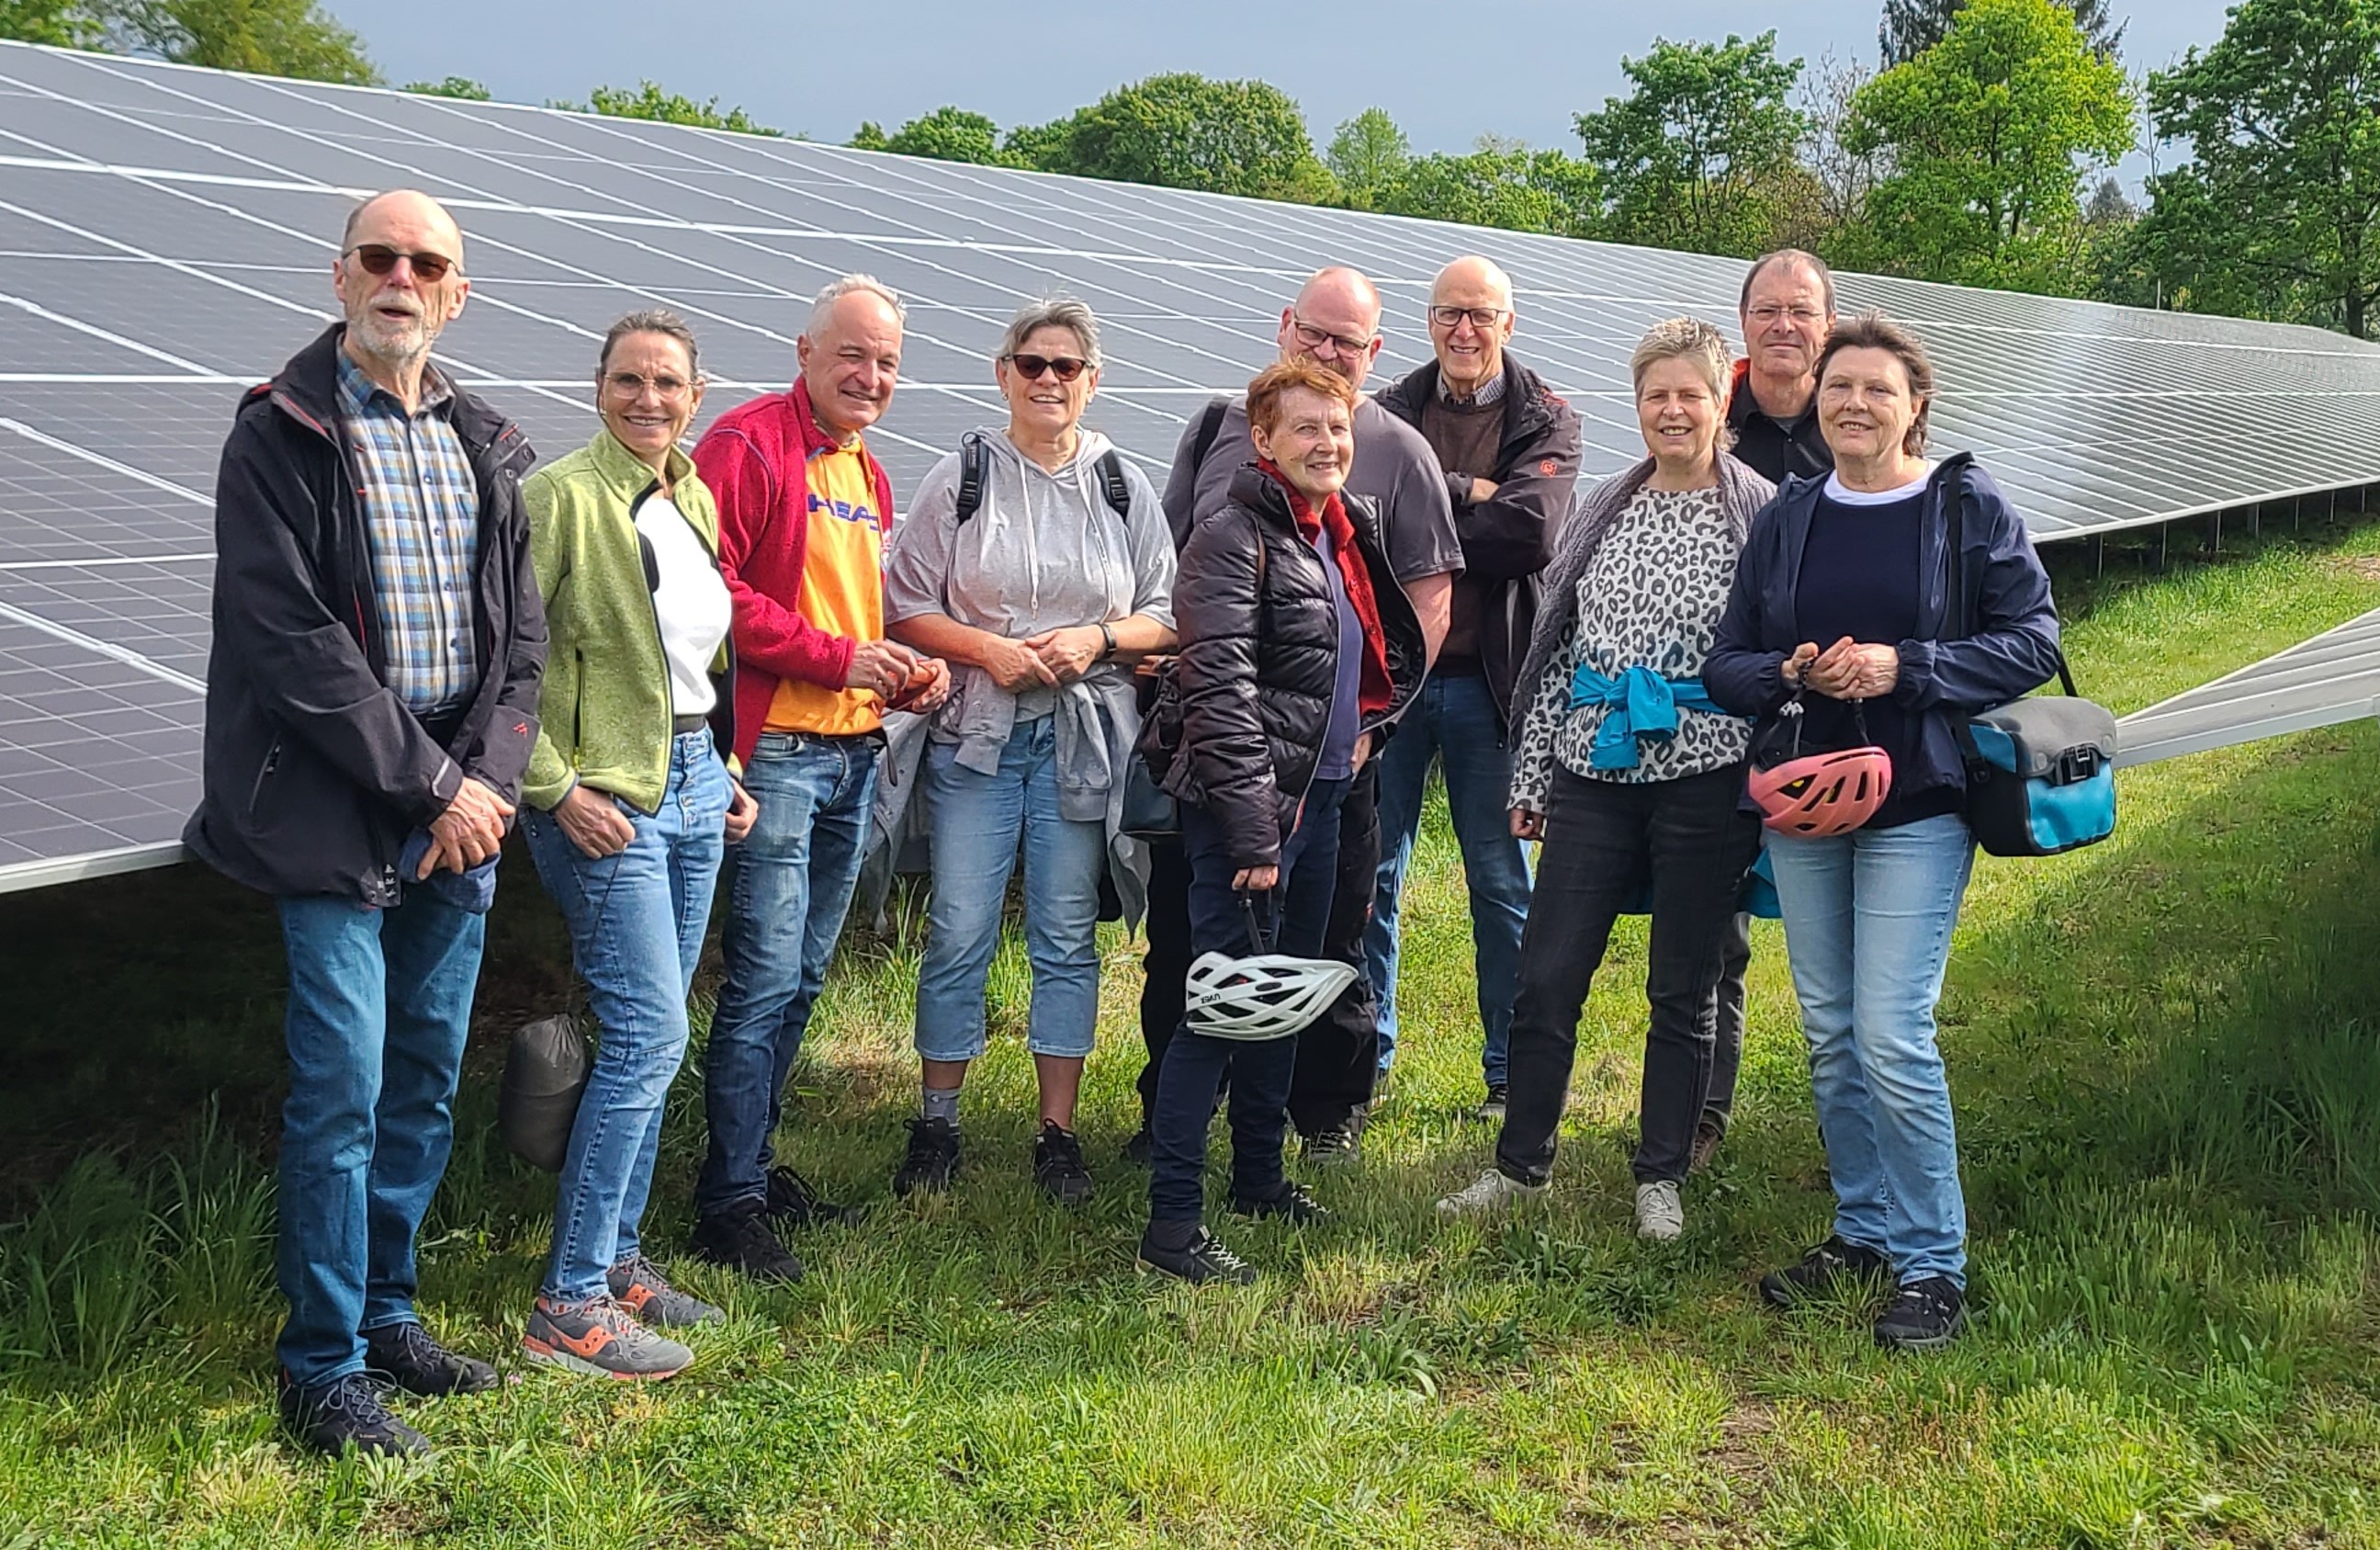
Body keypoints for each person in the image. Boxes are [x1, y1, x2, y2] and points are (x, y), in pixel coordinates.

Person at [184, 190, 544, 1456]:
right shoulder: (277, 437)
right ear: (340, 277)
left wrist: (482, 782)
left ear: (457, 294)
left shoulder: (488, 441)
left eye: (426, 262)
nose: (401, 275)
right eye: (380, 256)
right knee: (340, 1085)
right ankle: (320, 1366)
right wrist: (435, 789)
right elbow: (293, 647)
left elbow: (522, 641)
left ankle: (389, 1314)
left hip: (459, 808)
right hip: (339, 807)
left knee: (424, 1080)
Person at [1704, 312, 2062, 1351]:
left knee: (1891, 1032)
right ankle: (1860, 1230)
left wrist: (1906, 668)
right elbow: (1726, 659)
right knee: (1826, 1027)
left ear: (1915, 404)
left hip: (1917, 800)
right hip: (1805, 798)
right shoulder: (1790, 514)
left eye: (1874, 388)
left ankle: (1930, 1261)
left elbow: (2032, 639)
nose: (1851, 403)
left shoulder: (1960, 505)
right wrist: (1786, 672)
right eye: (1836, 386)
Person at [1434, 318, 1770, 1239]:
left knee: (1682, 982)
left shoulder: (1761, 514)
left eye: (1687, 394)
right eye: (1654, 395)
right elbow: (1557, 652)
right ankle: (1520, 1165)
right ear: (1637, 406)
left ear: (1718, 402)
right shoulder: (1602, 509)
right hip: (1592, 767)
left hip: (1705, 773)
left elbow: (1773, 653)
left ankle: (1657, 1173)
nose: (1670, 410)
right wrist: (1532, 772)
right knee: (1546, 973)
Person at [1142, 265, 1461, 1164]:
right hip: (1233, 762)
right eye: (1314, 334)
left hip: (1335, 763)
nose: (1327, 353)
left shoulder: (1390, 460)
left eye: (1346, 344)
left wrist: (1369, 727)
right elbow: (1184, 587)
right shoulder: (1218, 439)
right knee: (1202, 955)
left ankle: (1310, 1123)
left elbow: (1420, 608)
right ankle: (1178, 1156)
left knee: (1325, 944)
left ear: (1373, 354)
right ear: (1284, 326)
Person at [882, 298, 1177, 1204]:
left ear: (1094, 380)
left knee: (1061, 936)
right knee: (959, 929)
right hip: (976, 739)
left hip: (1079, 742)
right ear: (1001, 373)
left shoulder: (1121, 482)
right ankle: (936, 1125)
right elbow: (904, 604)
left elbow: (1163, 615)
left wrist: (1094, 639)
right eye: (1030, 364)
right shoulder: (960, 475)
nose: (1047, 380)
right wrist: (987, 650)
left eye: (1065, 366)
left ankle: (1057, 1134)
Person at [689, 275, 951, 1282]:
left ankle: (751, 1165)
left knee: (801, 976)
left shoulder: (868, 475)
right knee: (759, 979)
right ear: (803, 352)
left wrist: (897, 669)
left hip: (854, 751)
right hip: (780, 755)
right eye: (852, 354)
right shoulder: (749, 445)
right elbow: (712, 596)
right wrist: (838, 661)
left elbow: (851, 617)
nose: (869, 375)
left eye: (886, 362)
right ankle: (727, 1203)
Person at [514, 311, 757, 1379]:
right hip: (603, 796)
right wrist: (550, 788)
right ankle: (566, 1304)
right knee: (648, 1032)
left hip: (696, 781)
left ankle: (618, 1263)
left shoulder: (689, 493)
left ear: (694, 396)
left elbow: (693, 660)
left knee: (657, 1036)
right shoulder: (559, 497)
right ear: (597, 385)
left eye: (666, 382)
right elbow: (504, 662)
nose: (646, 398)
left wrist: (726, 772)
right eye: (627, 379)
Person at [1370, 255, 1580, 1122]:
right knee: (1372, 875)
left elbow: (1528, 533)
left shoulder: (1549, 417)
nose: (1464, 331)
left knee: (1500, 883)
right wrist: (1465, 489)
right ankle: (1362, 1062)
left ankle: (1508, 1076)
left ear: (1508, 323)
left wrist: (1424, 504)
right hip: (1392, 684)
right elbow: (1361, 520)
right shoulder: (1385, 410)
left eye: (1480, 315)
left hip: (1494, 686)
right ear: (1429, 323)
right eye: (1449, 314)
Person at [1681, 247, 1843, 1174]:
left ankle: (1845, 1126)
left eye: (1801, 311)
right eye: (1766, 310)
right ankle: (1702, 1113)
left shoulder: (1858, 420)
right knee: (1711, 930)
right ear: (1741, 323)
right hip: (1722, 707)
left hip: (1835, 722)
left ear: (1826, 324)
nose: (1783, 325)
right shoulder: (1704, 422)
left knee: (1840, 943)